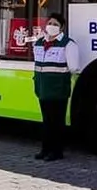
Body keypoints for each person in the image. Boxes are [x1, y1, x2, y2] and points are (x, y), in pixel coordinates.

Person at [32, 12, 80, 161]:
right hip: (42, 88)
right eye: (50, 23)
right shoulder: (39, 43)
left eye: (56, 25)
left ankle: (57, 151)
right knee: (46, 121)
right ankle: (45, 149)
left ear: (62, 28)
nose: (52, 27)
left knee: (57, 121)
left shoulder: (68, 44)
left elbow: (74, 67)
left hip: (58, 89)